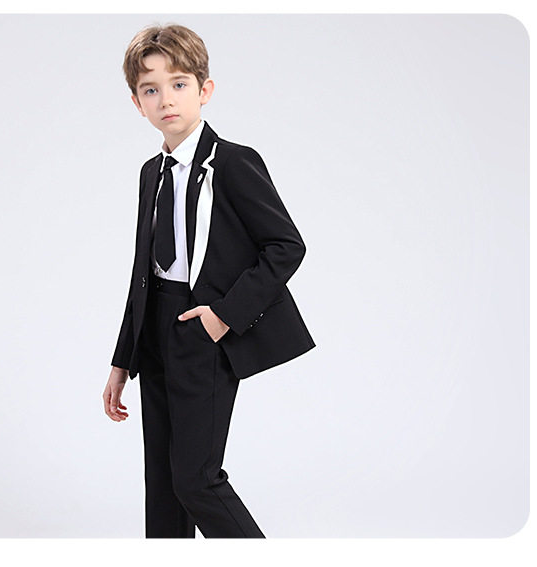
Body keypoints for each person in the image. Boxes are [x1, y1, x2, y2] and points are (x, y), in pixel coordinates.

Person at [102, 23, 316, 538]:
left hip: (203, 329)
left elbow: (286, 246)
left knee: (196, 481)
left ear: (205, 89)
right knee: (163, 486)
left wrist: (224, 316)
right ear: (137, 103)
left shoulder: (234, 162)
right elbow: (142, 273)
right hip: (154, 331)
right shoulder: (150, 173)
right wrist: (122, 359)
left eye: (178, 84)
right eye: (150, 90)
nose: (166, 99)